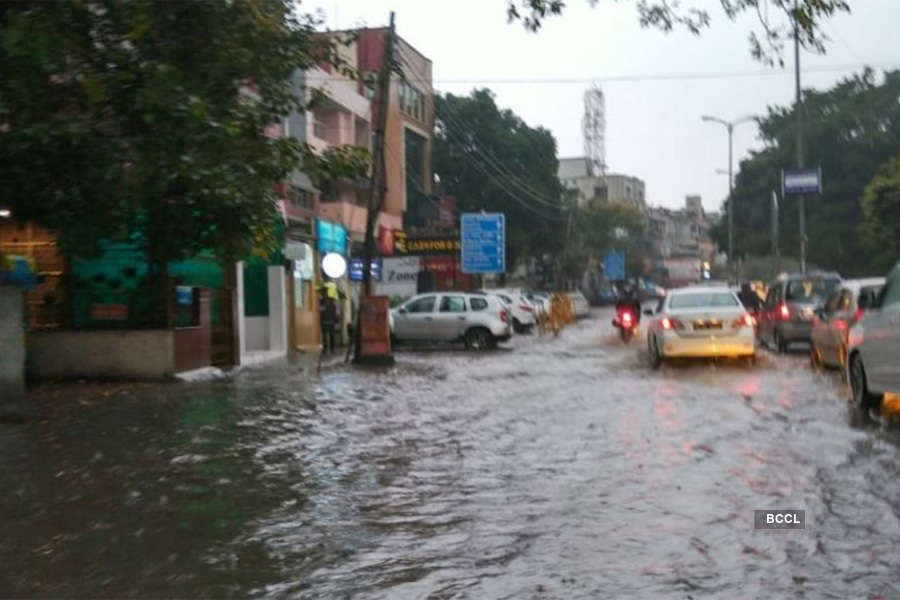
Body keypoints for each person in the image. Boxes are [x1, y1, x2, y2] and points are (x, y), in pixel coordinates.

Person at [318, 285, 337, 355]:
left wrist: (334, 317)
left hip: (330, 319)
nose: (323, 293)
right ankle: (325, 348)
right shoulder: (321, 301)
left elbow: (334, 309)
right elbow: (320, 309)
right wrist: (323, 307)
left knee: (332, 335)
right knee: (325, 335)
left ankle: (332, 348)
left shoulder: (332, 300)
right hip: (324, 319)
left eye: (324, 292)